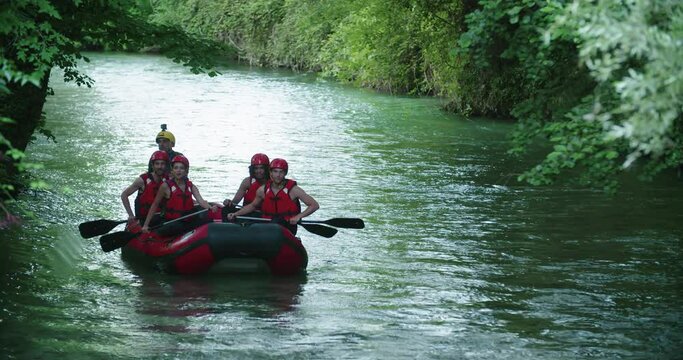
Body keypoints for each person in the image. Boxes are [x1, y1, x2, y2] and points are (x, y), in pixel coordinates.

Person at [227, 158, 319, 235]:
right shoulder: (263, 190)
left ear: (285, 173)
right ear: (270, 173)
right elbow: (252, 206)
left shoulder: (293, 190)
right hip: (267, 225)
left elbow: (314, 205)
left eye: (281, 172)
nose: (278, 175)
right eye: (275, 171)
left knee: (277, 221)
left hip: (287, 226)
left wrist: (298, 216)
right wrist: (236, 214)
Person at [142, 155, 219, 235]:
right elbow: (155, 205)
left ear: (186, 171)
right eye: (176, 168)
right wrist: (145, 225)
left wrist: (210, 207)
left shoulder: (191, 186)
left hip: (188, 220)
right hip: (173, 221)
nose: (178, 171)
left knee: (207, 221)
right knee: (177, 227)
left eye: (181, 168)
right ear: (172, 171)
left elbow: (201, 201)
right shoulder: (165, 186)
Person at [120, 150, 169, 227]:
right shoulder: (142, 180)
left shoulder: (169, 180)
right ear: (152, 166)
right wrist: (131, 215)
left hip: (160, 218)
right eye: (157, 164)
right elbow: (124, 195)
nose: (160, 167)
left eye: (162, 164)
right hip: (143, 219)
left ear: (166, 166)